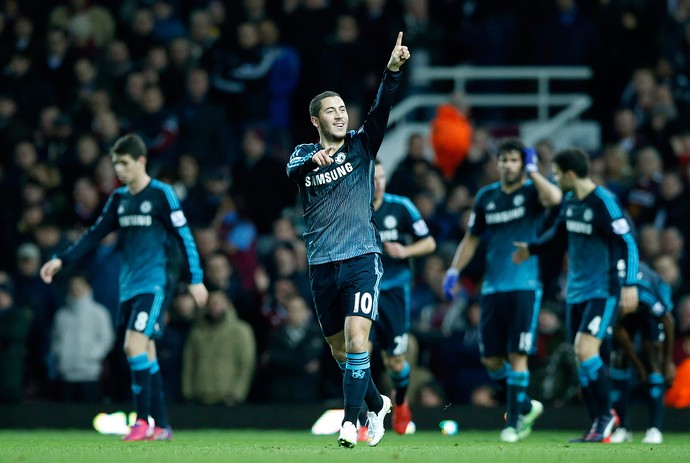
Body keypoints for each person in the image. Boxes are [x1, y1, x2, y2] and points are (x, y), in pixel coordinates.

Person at [286, 32, 410, 448]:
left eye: (342, 109)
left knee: (360, 341)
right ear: (316, 121)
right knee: (343, 355)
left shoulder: (362, 145)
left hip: (362, 258)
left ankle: (350, 423)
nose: (340, 115)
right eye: (331, 112)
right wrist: (311, 161)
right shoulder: (301, 155)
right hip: (322, 265)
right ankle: (377, 405)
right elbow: (292, 174)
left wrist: (392, 71)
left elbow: (381, 108)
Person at [40, 133, 208, 441]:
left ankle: (141, 421)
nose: (120, 171)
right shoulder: (119, 199)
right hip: (128, 286)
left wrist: (196, 278)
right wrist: (61, 260)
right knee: (147, 352)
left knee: (132, 345)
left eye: (125, 164)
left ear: (141, 162)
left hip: (154, 283)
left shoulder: (161, 194)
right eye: (116, 164)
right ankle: (162, 426)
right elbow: (93, 235)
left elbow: (184, 236)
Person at [512, 147, 639, 443]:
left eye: (556, 174)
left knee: (585, 350)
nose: (555, 179)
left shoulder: (603, 201)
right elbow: (557, 235)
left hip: (602, 289)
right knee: (584, 359)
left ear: (569, 174)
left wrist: (630, 283)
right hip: (576, 292)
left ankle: (609, 417)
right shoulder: (570, 201)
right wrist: (532, 248)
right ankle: (600, 423)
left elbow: (627, 243)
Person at [442, 138, 562, 442]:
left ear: (523, 164)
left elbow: (556, 199)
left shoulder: (532, 191)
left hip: (524, 285)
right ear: (497, 164)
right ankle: (524, 405)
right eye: (503, 159)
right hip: (493, 286)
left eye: (514, 159)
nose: (507, 164)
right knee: (491, 359)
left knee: (516, 353)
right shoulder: (486, 197)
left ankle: (513, 423)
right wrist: (454, 270)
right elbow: (471, 238)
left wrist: (535, 173)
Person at [369, 159, 436, 437]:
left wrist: (405, 252)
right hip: (364, 291)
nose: (379, 182)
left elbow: (429, 242)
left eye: (382, 176)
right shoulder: (353, 208)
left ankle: (401, 403)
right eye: (374, 177)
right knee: (359, 355)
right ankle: (365, 418)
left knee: (395, 361)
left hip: (394, 292)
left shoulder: (401, 206)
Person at [609, 262, 675, 444]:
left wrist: (668, 363)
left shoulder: (646, 295)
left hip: (652, 308)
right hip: (629, 315)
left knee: (654, 356)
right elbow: (621, 335)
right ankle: (623, 428)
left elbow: (668, 322)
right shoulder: (611, 296)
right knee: (618, 358)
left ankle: (654, 429)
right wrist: (639, 368)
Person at [50, 274, 115, 402]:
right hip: (66, 373)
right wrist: (60, 355)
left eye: (80, 286)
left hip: (89, 373)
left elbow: (107, 339)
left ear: (88, 288)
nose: (76, 289)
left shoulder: (99, 313)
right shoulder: (61, 315)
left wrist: (91, 355)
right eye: (73, 286)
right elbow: (56, 339)